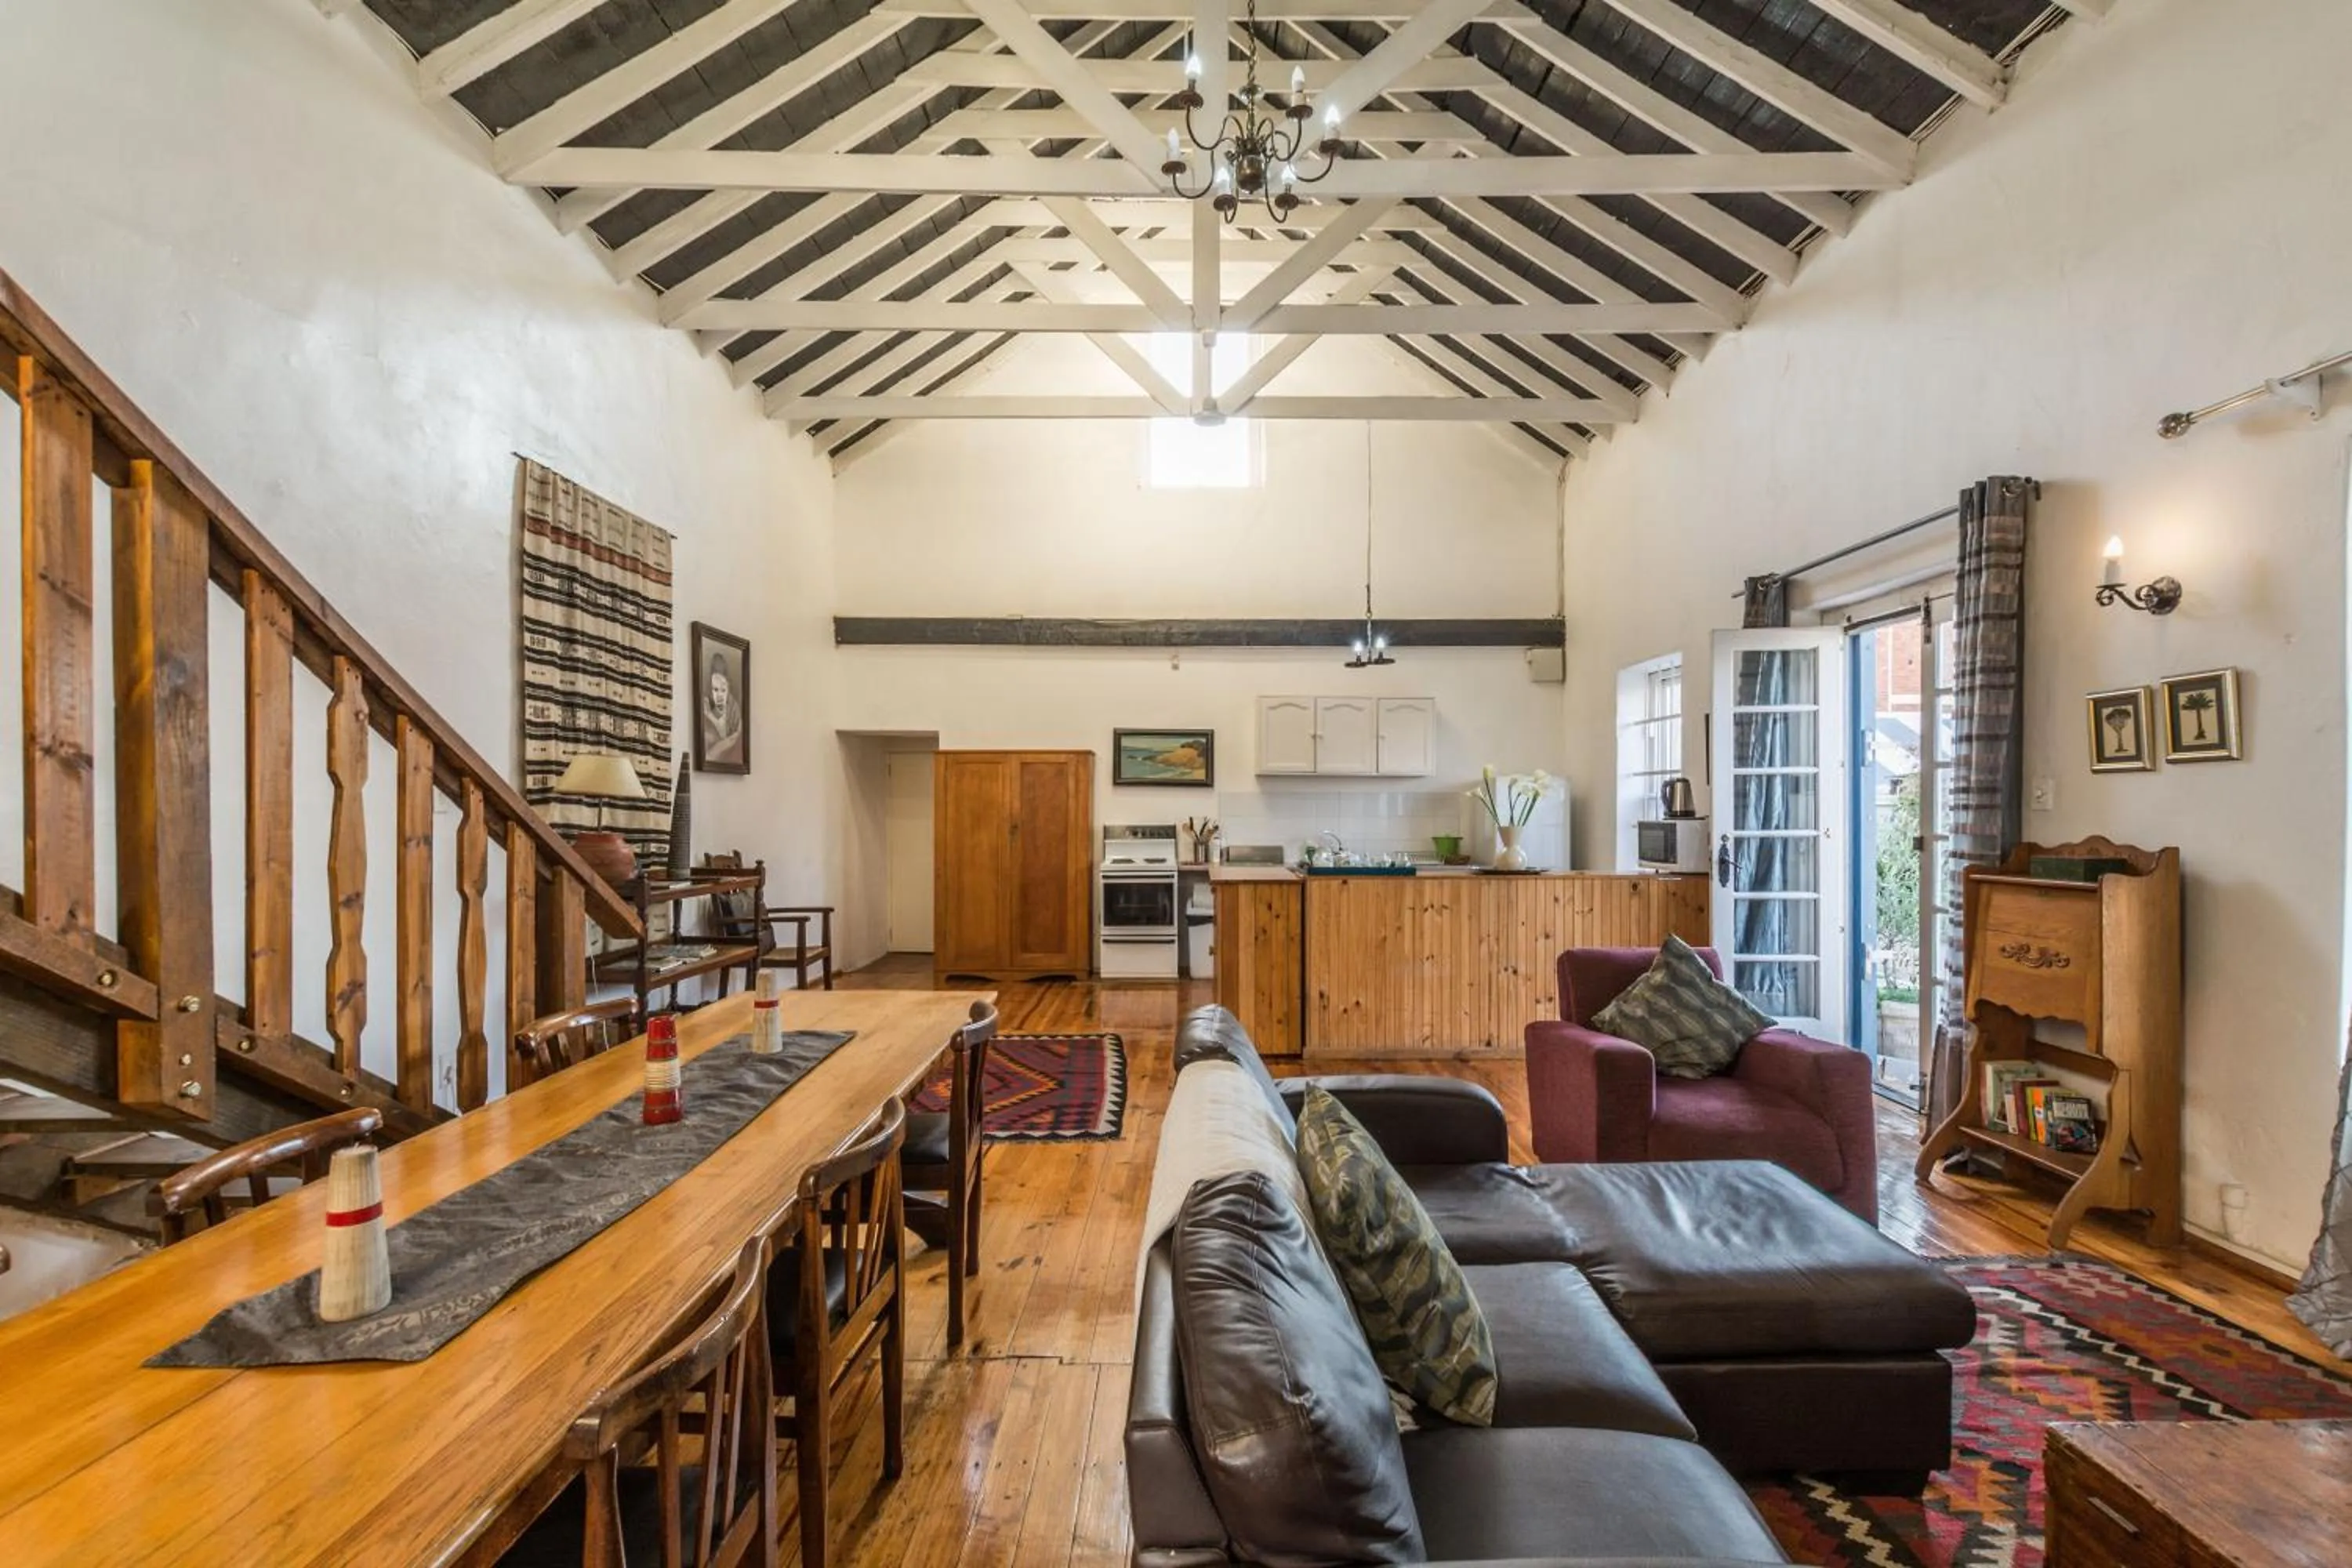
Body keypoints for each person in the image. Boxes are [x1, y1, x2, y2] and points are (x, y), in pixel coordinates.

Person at [701, 652, 743, 764]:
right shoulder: (706, 704)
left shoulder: (733, 707)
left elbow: (733, 736)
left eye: (723, 690)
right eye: (715, 689)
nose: (720, 695)